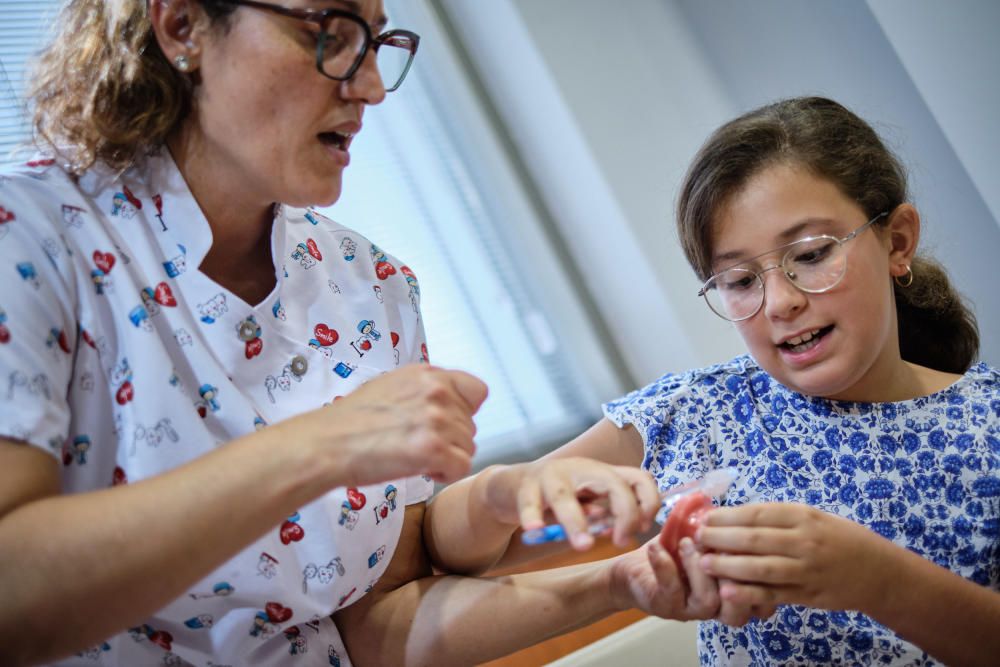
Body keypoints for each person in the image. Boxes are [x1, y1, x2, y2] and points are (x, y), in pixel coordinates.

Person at [0, 1, 727, 665]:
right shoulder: (30, 242)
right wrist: (320, 444)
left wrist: (619, 581)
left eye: (377, 43)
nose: (373, 87)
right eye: (330, 35)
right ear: (183, 26)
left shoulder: (370, 284)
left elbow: (375, 626)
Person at [428, 96, 1000, 665]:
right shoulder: (700, 410)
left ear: (896, 241)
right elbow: (449, 547)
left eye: (812, 253)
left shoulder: (989, 425)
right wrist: (506, 491)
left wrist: (884, 583)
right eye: (740, 280)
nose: (780, 301)